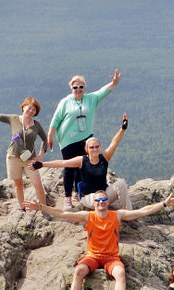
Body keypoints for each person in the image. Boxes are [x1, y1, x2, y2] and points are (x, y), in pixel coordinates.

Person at [23, 192, 174, 290]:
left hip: (111, 257)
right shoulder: (88, 216)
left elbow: (142, 212)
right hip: (92, 256)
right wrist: (41, 208)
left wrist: (163, 204)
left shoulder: (117, 215)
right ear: (93, 204)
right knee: (79, 271)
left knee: (120, 272)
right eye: (98, 201)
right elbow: (63, 214)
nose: (101, 203)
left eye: (103, 200)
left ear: (108, 202)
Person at [48, 70, 120, 210]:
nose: (78, 89)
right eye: (75, 87)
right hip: (68, 139)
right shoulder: (65, 102)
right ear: (71, 88)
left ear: (84, 88)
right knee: (70, 167)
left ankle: (78, 192)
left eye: (81, 87)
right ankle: (67, 198)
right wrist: (50, 135)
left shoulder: (91, 98)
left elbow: (103, 91)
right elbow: (56, 119)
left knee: (84, 166)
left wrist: (114, 83)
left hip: (86, 137)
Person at [39, 114, 131, 210]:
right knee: (100, 200)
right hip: (89, 197)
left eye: (97, 146)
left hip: (104, 193)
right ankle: (101, 216)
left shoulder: (105, 157)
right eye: (91, 147)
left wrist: (122, 129)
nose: (94, 149)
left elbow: (114, 143)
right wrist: (42, 164)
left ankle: (129, 214)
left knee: (121, 183)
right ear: (87, 149)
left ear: (100, 147)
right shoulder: (82, 160)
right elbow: (63, 163)